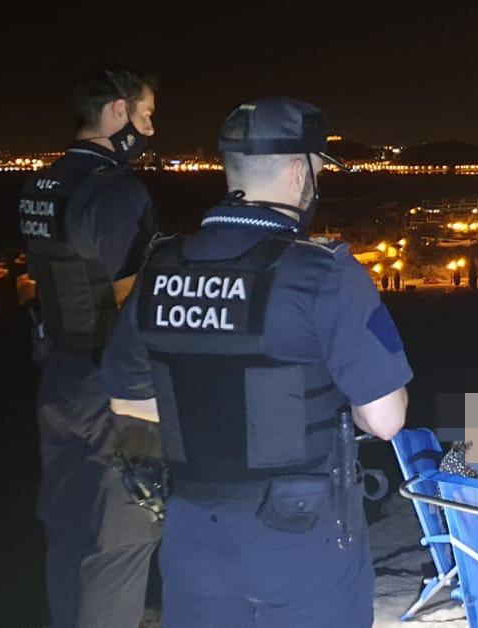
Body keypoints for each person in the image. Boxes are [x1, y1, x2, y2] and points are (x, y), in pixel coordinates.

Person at [101, 97, 411, 627]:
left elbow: (126, 396)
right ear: (298, 173)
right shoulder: (324, 273)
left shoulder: (162, 266)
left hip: (193, 533)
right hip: (303, 539)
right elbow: (385, 419)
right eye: (317, 171)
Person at [19, 65, 163, 628]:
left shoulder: (42, 185)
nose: (150, 130)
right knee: (124, 536)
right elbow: (131, 305)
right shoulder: (116, 189)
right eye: (145, 115)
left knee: (69, 529)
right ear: (118, 110)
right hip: (112, 387)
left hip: (57, 376)